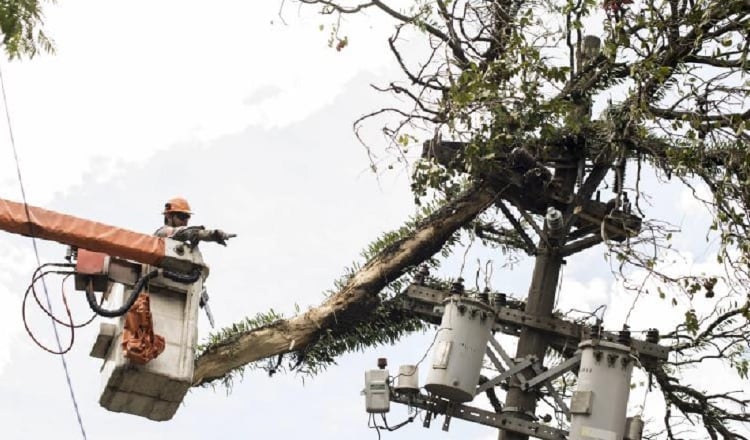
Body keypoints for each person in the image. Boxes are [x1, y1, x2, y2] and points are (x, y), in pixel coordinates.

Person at [155, 197, 236, 245]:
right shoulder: (161, 233)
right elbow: (183, 232)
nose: (185, 221)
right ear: (168, 216)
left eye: (188, 217)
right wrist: (214, 234)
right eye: (182, 216)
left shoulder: (181, 244)